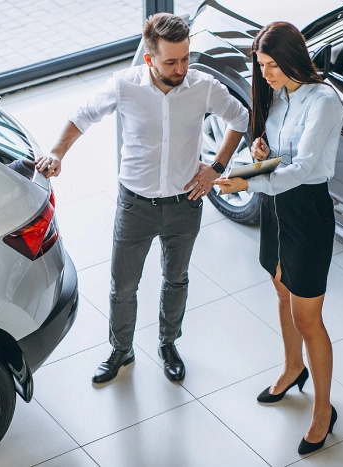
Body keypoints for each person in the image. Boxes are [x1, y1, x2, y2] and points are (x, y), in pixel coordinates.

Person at [37, 13, 248, 384]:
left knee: (176, 279)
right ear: (149, 59)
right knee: (123, 287)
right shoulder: (124, 86)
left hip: (186, 205)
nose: (181, 68)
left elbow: (241, 118)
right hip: (135, 206)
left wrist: (216, 166)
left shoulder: (203, 86)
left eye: (185, 58)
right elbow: (82, 116)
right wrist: (56, 153)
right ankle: (121, 350)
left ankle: (169, 344)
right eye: (171, 61)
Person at [214, 22, 343, 455]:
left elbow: (304, 170)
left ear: (290, 59)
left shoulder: (322, 101)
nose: (264, 74)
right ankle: (292, 368)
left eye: (270, 65)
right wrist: (258, 159)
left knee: (308, 318)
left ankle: (323, 411)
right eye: (261, 66)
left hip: (307, 211)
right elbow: (280, 160)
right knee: (280, 288)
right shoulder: (279, 95)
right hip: (277, 207)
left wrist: (247, 183)